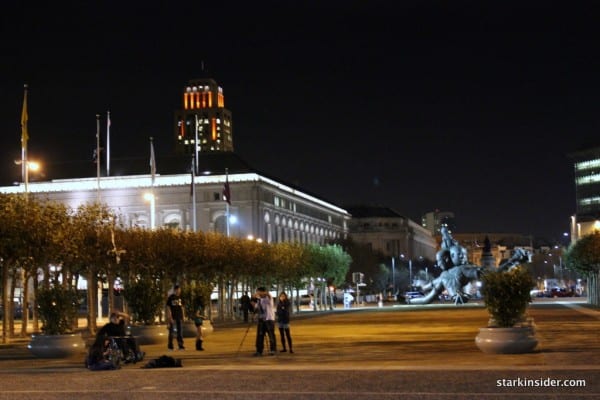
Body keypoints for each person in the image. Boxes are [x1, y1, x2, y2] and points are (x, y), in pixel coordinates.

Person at [252, 287, 276, 356]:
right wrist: (253, 300)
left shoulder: (269, 298)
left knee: (271, 335)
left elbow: (268, 294)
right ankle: (259, 351)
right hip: (261, 320)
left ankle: (273, 350)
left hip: (269, 319)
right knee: (260, 336)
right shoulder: (260, 300)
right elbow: (256, 307)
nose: (257, 294)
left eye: (258, 292)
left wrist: (262, 293)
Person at [166, 284, 185, 351]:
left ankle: (181, 346)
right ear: (175, 290)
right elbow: (168, 308)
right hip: (172, 317)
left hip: (179, 316)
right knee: (171, 332)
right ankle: (170, 346)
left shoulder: (180, 298)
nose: (179, 291)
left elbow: (182, 307)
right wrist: (170, 317)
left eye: (180, 289)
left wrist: (183, 316)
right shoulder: (171, 298)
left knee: (180, 332)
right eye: (178, 289)